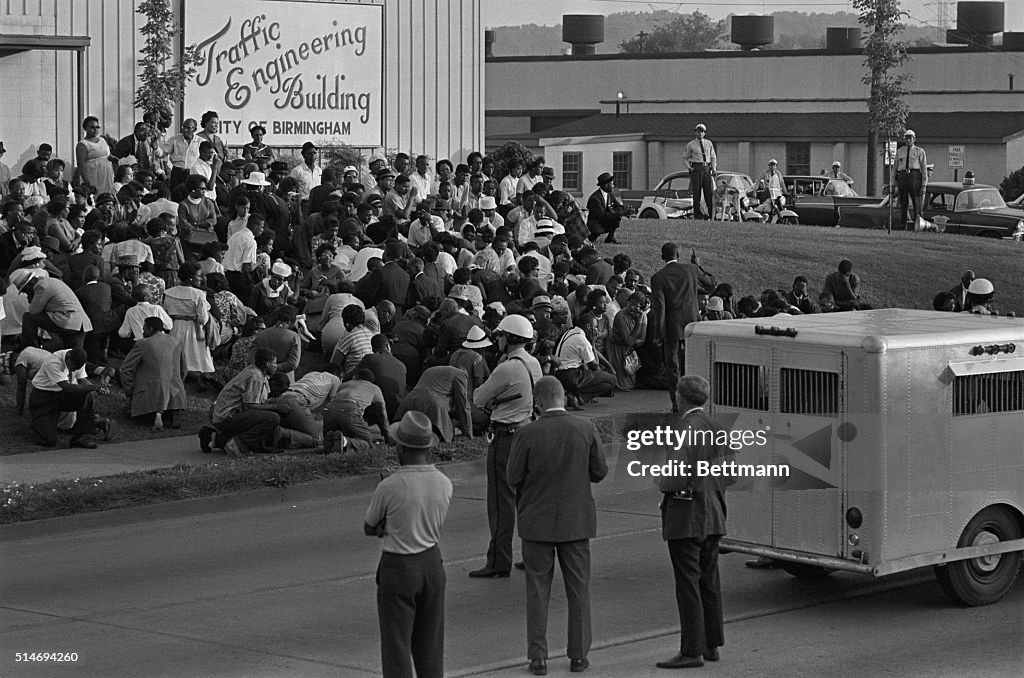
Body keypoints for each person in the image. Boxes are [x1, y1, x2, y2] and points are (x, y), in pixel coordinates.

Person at [507, 377, 607, 676]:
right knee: (579, 590)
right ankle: (578, 656)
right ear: (563, 397)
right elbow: (599, 472)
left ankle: (538, 658)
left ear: (537, 401)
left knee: (538, 590)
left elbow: (513, 477)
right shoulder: (586, 428)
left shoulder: (526, 434)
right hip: (576, 521)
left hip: (536, 521)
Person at [364, 410, 452, 678]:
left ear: (401, 448)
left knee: (397, 644)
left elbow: (369, 526)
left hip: (398, 566)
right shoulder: (444, 483)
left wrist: (385, 526)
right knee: (430, 643)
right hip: (432, 564)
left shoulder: (390, 486)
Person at [655, 375, 727, 670]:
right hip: (714, 512)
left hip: (687, 515)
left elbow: (672, 478)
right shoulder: (716, 427)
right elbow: (730, 474)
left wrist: (660, 479)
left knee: (688, 583)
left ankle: (691, 650)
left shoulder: (684, 429)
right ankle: (712, 643)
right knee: (709, 580)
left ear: (679, 396)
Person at [469, 314, 543, 578]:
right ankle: (534, 554)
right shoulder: (533, 364)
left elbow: (479, 398)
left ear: (509, 339)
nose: (497, 340)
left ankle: (499, 561)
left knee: (501, 503)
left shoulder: (507, 367)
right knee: (527, 499)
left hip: (506, 437)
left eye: (500, 336)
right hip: (528, 432)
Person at [201, 346, 281, 457]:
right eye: (275, 363)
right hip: (226, 417)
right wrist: (276, 407)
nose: (276, 366)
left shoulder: (255, 372)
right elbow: (250, 406)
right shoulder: (255, 376)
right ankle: (237, 444)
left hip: (224, 414)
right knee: (272, 418)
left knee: (267, 419)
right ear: (267, 364)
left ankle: (211, 436)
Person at [649, 243, 701, 412]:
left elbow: (660, 308)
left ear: (662, 256)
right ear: (678, 253)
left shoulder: (658, 277)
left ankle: (676, 402)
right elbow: (711, 283)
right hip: (692, 324)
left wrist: (658, 332)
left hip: (671, 328)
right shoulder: (691, 270)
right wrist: (697, 264)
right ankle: (696, 399)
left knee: (672, 367)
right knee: (694, 363)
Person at [28, 347, 104, 449]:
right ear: (68, 357)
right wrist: (93, 387)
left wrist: (97, 388)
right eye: (72, 367)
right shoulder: (53, 361)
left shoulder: (78, 358)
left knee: (87, 395)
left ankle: (81, 437)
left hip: (61, 395)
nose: (73, 370)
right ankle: (40, 423)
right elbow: (67, 387)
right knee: (48, 441)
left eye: (77, 368)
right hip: (43, 397)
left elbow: (82, 380)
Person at [119, 316, 187, 430]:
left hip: (149, 395)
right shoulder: (176, 342)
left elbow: (125, 369)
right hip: (176, 394)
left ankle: (155, 412)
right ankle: (172, 411)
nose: (142, 332)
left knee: (129, 412)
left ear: (150, 329)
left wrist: (130, 392)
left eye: (144, 329)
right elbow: (184, 370)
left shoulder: (142, 344)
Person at [395, 365, 472, 443]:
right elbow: (462, 404)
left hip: (409, 400)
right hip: (433, 408)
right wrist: (468, 433)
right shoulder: (461, 374)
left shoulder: (431, 369)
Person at [322, 368, 391, 452]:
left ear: (355, 377)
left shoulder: (344, 384)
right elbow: (382, 414)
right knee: (368, 444)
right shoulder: (375, 388)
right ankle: (345, 441)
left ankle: (330, 439)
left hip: (328, 409)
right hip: (350, 409)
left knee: (337, 432)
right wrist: (388, 438)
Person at [894, 129, 927, 230]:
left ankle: (917, 226)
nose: (908, 141)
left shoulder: (919, 151)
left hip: (914, 176)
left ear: (914, 139)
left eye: (910, 138)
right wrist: (892, 182)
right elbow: (895, 167)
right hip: (903, 176)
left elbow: (924, 169)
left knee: (916, 202)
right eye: (906, 138)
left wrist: (924, 185)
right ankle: (903, 226)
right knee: (903, 203)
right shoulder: (900, 151)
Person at [75, 116, 115, 195]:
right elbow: (81, 165)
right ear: (86, 128)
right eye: (92, 127)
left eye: (97, 127)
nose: (95, 129)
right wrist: (87, 183)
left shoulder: (102, 140)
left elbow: (107, 155)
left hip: (106, 175)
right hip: (93, 176)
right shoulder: (82, 144)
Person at [683, 124, 716, 220]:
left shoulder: (709, 143)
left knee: (709, 193)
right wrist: (689, 168)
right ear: (695, 132)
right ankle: (697, 215)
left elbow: (713, 157)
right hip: (696, 168)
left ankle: (711, 215)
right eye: (698, 131)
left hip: (706, 168)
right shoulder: (691, 144)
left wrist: (713, 169)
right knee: (696, 194)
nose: (700, 133)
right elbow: (684, 158)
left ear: (704, 133)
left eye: (702, 131)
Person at [585, 172, 625, 244]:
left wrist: (625, 210)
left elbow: (618, 205)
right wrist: (619, 213)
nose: (613, 186)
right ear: (606, 186)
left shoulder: (610, 194)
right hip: (595, 222)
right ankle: (590, 238)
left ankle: (610, 237)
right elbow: (602, 216)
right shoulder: (595, 198)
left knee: (617, 214)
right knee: (595, 234)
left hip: (604, 219)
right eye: (612, 184)